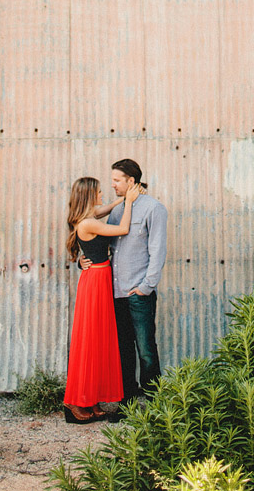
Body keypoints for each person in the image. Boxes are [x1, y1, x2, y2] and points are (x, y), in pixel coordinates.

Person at [81, 158, 167, 402]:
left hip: (138, 293)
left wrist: (145, 288)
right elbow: (101, 242)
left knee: (146, 351)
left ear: (131, 181)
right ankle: (126, 402)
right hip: (115, 292)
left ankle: (154, 404)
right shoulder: (118, 209)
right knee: (122, 351)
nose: (113, 185)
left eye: (117, 181)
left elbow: (158, 251)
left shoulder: (154, 208)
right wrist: (83, 259)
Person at [64, 175, 139, 423]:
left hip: (99, 278)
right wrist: (128, 203)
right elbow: (123, 229)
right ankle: (75, 403)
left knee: (99, 341)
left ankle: (92, 400)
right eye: (97, 192)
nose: (102, 195)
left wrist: (121, 200)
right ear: (88, 197)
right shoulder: (87, 223)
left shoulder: (88, 217)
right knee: (90, 341)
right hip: (95, 282)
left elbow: (105, 209)